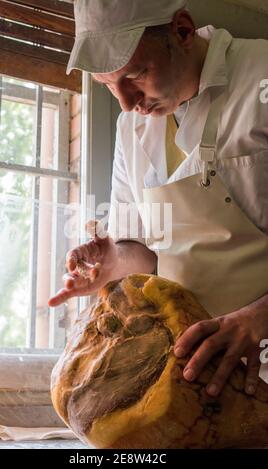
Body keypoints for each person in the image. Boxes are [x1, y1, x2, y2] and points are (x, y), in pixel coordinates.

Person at [49, 0, 268, 398]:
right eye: (108, 86)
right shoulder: (131, 126)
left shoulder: (262, 76)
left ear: (182, 31)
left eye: (136, 75)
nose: (127, 103)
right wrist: (112, 261)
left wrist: (259, 318)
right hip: (199, 383)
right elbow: (146, 252)